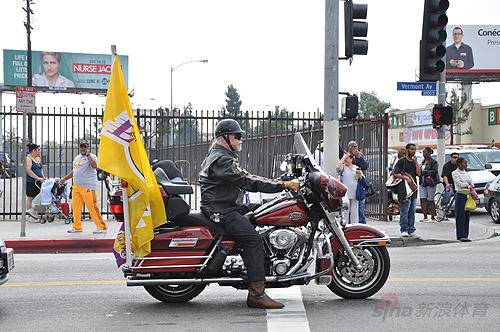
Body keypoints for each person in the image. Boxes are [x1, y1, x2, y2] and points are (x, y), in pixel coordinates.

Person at [199, 119, 300, 309]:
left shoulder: (220, 154)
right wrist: (282, 185)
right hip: (221, 210)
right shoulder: (222, 159)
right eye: (237, 136)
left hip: (225, 204)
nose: (240, 140)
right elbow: (247, 181)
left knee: (261, 209)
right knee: (253, 239)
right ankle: (257, 293)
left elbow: (244, 178)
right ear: (225, 137)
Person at [60, 140, 107, 234]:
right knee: (76, 208)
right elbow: (75, 171)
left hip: (88, 187)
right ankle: (77, 226)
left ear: (88, 148)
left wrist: (88, 155)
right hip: (76, 187)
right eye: (81, 146)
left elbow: (95, 166)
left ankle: (101, 226)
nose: (83, 148)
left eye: (85, 147)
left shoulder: (92, 157)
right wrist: (64, 179)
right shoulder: (77, 158)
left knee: (93, 208)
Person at [393, 143, 421, 237]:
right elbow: (395, 173)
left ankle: (411, 229)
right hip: (404, 189)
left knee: (412, 210)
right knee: (405, 209)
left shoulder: (414, 161)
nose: (413, 151)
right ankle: (404, 229)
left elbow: (419, 173)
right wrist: (405, 177)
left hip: (413, 189)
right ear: (407, 150)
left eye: (414, 149)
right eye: (412, 149)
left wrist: (416, 162)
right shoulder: (402, 161)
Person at [336, 153, 362, 224]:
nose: (345, 160)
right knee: (345, 211)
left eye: (347, 158)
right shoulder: (343, 167)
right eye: (345, 159)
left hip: (355, 193)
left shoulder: (356, 167)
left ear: (351, 159)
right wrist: (343, 157)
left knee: (354, 212)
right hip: (346, 194)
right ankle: (346, 225)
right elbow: (337, 168)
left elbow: (361, 179)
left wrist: (359, 175)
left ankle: (355, 226)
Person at [452, 158, 473, 242]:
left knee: (466, 215)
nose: (466, 165)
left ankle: (465, 234)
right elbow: (460, 184)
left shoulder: (466, 172)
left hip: (467, 195)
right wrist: (468, 184)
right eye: (465, 163)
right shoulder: (455, 173)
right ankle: (460, 235)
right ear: (459, 164)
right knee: (460, 215)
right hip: (460, 194)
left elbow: (472, 182)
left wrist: (468, 184)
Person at [25, 143, 45, 219]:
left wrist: (43, 177)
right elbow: (28, 171)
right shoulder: (28, 158)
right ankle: (30, 214)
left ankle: (34, 212)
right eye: (38, 150)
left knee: (39, 197)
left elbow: (41, 169)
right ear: (33, 150)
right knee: (31, 197)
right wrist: (37, 178)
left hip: (39, 181)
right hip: (31, 181)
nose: (39, 152)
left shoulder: (38, 158)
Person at [419, 147, 439, 222]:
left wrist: (424, 172)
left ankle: (433, 217)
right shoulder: (423, 161)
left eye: (425, 152)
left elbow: (434, 171)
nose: (423, 154)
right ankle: (425, 217)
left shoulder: (434, 162)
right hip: (422, 182)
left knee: (430, 200)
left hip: (430, 182)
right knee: (423, 199)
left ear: (429, 153)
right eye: (423, 152)